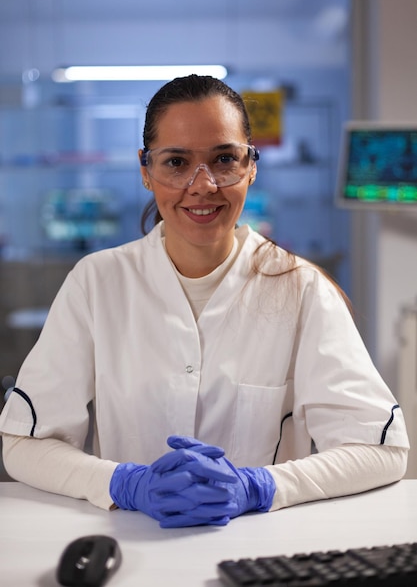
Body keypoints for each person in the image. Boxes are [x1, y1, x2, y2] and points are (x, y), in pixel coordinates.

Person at [0, 75, 409, 528]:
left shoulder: (302, 289)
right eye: (176, 162)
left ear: (251, 167)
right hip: (132, 550)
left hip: (261, 556)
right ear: (145, 170)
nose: (203, 185)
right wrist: (123, 483)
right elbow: (24, 443)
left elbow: (381, 449)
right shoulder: (96, 283)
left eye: (224, 159)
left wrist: (261, 487)